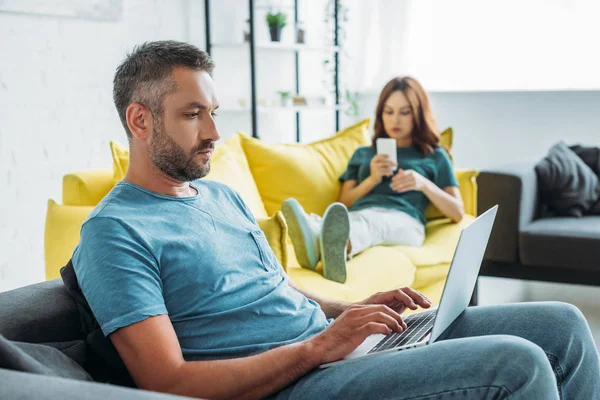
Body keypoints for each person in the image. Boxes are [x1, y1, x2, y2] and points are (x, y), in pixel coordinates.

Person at [72, 40, 599, 400]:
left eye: (215, 112)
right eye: (193, 114)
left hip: (329, 349)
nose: (214, 131)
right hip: (294, 382)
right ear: (139, 119)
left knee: (562, 325)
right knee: (518, 365)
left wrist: (352, 311)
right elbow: (169, 380)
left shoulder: (220, 197)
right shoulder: (114, 233)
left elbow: (278, 294)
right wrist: (319, 347)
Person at [282, 77, 463, 283]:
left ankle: (328, 242)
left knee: (368, 224)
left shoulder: (434, 156)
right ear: (380, 114)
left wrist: (424, 184)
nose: (395, 120)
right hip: (360, 214)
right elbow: (343, 203)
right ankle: (325, 241)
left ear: (418, 114)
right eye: (389, 112)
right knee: (352, 220)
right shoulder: (364, 154)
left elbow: (457, 212)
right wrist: (372, 179)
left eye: (405, 112)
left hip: (406, 222)